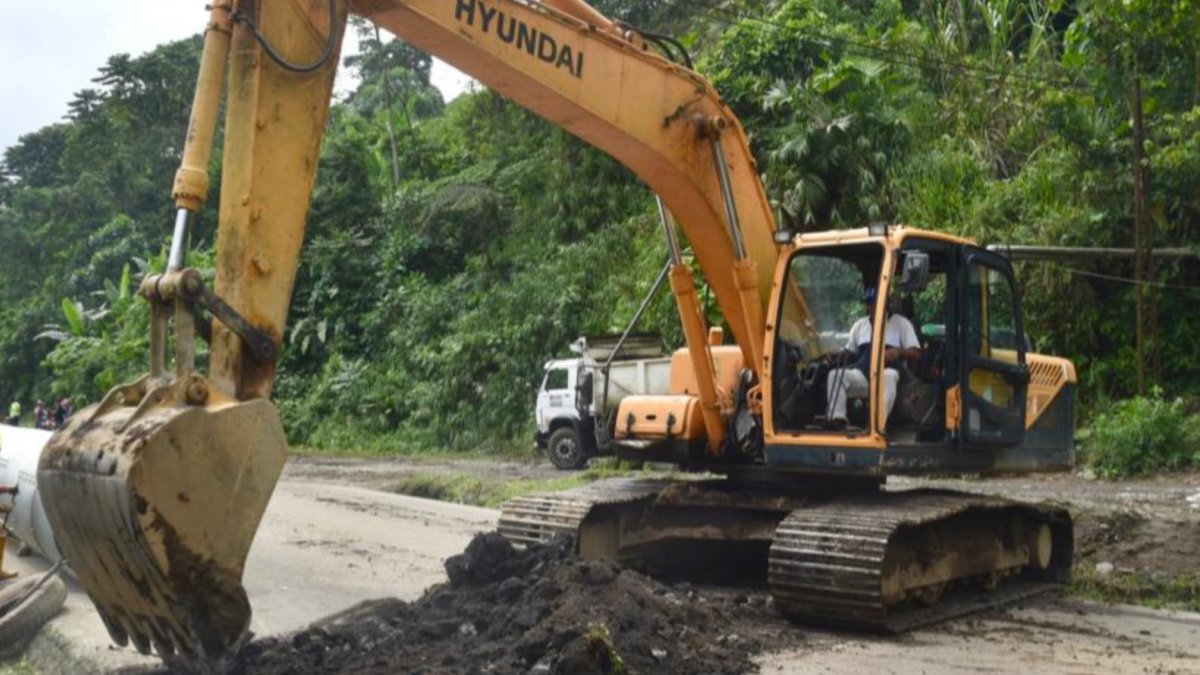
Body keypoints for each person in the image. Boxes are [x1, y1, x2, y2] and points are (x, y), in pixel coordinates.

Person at [825, 287, 920, 429]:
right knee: (835, 375)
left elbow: (916, 353)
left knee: (888, 376)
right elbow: (849, 352)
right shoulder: (859, 325)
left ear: (887, 303)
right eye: (870, 303)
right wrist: (835, 355)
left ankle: (877, 423)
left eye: (876, 303)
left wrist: (898, 352)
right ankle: (837, 418)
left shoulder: (901, 323)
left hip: (888, 371)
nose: (872, 307)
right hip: (863, 374)